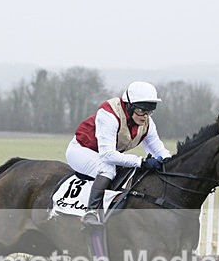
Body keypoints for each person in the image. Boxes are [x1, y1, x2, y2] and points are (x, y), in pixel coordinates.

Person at [66, 81, 172, 226]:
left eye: (149, 111)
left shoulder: (147, 122)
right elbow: (107, 155)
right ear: (129, 106)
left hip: (103, 155)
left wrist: (171, 164)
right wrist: (141, 162)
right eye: (141, 110)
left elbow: (158, 150)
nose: (145, 116)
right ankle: (91, 212)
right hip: (81, 151)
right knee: (108, 169)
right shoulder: (109, 114)